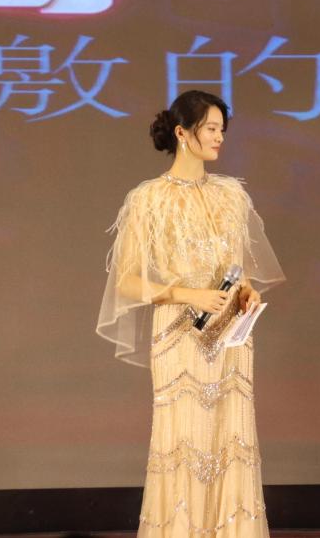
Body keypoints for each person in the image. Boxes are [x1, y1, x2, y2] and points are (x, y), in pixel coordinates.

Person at [97, 90, 284, 537]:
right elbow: (127, 282)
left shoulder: (231, 194)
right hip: (179, 336)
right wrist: (189, 295)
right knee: (183, 440)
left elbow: (237, 268)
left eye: (222, 129)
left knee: (232, 438)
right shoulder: (148, 199)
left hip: (231, 336)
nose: (220, 137)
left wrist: (247, 291)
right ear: (182, 133)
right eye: (210, 128)